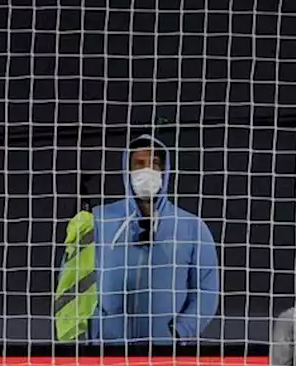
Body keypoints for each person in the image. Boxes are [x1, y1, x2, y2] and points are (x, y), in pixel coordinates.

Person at [54, 133, 219, 343]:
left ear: (165, 171)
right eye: (139, 164)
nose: (147, 171)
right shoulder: (96, 221)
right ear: (127, 170)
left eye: (155, 163)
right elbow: (70, 285)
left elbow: (207, 291)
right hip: (107, 354)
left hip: (167, 355)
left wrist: (180, 332)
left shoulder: (192, 228)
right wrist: (89, 336)